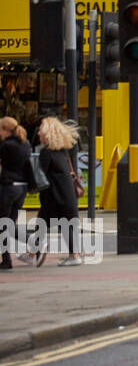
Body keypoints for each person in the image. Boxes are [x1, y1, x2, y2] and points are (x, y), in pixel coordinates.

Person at [36, 117, 83, 266]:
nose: (38, 133)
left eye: (40, 130)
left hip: (55, 196)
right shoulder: (63, 151)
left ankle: (74, 256)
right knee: (64, 224)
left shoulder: (47, 152)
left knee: (43, 225)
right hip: (66, 194)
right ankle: (74, 255)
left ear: (48, 132)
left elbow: (40, 174)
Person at [0, 116, 37, 270]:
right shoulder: (25, 143)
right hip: (21, 189)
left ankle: (7, 260)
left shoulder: (7, 145)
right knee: (8, 224)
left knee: (3, 225)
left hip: (9, 188)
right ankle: (33, 242)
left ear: (5, 130)